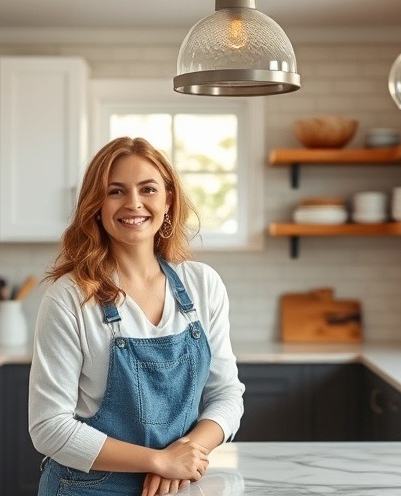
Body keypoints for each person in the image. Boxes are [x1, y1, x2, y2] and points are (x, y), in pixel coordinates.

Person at [28, 136, 245, 496]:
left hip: (180, 485)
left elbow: (226, 394)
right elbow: (49, 427)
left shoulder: (202, 285)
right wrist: (158, 461)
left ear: (168, 199)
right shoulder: (70, 297)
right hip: (84, 487)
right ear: (95, 205)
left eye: (148, 189)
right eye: (115, 191)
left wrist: (190, 452)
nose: (134, 204)